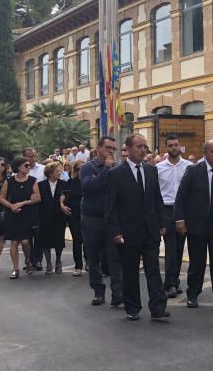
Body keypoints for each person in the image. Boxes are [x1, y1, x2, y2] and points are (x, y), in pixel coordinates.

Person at [105, 134, 169, 322]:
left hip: (150, 230)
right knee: (131, 271)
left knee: (153, 270)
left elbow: (157, 198)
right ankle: (132, 307)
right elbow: (111, 207)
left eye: (145, 147)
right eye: (139, 146)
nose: (143, 150)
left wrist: (162, 223)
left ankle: (158, 307)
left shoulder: (151, 170)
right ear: (129, 149)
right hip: (128, 231)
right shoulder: (116, 174)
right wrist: (115, 232)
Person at [174, 140, 213, 311]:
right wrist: (179, 219)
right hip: (197, 225)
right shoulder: (193, 171)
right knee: (197, 263)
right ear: (205, 153)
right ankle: (193, 294)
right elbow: (181, 197)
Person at [80, 136, 123, 306]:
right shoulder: (87, 168)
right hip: (92, 218)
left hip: (112, 219)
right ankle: (98, 291)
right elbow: (90, 187)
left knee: (115, 257)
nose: (111, 151)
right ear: (98, 148)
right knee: (93, 256)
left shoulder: (118, 168)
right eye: (108, 148)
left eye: (113, 148)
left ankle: (117, 292)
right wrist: (105, 170)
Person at [156, 135, 193, 298]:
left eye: (176, 145)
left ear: (180, 146)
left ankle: (174, 280)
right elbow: (155, 194)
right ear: (166, 148)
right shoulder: (158, 168)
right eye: (170, 146)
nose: (173, 148)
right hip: (167, 209)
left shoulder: (189, 166)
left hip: (184, 210)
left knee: (179, 248)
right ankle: (170, 284)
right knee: (170, 248)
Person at [0, 157, 40, 278]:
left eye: (29, 166)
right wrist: (11, 206)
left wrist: (23, 203)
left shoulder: (33, 181)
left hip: (27, 213)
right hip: (12, 214)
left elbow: (37, 198)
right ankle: (16, 269)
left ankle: (27, 260)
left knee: (25, 241)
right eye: (26, 166)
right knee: (14, 242)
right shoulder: (9, 181)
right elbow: (1, 197)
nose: (28, 167)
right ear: (18, 167)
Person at [37, 161, 68, 275]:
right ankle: (48, 263)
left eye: (60, 171)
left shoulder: (64, 184)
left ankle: (58, 261)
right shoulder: (40, 185)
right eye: (57, 171)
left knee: (59, 240)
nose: (60, 173)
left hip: (59, 216)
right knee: (45, 240)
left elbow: (67, 199)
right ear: (50, 173)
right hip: (44, 216)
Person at [61, 158, 84, 277]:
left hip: (87, 214)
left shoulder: (91, 181)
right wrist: (62, 206)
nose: (81, 171)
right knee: (77, 239)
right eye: (78, 169)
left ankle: (90, 261)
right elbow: (63, 196)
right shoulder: (70, 182)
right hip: (73, 213)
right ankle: (78, 265)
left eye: (83, 168)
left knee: (89, 240)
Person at [23, 148, 46, 270]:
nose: (31, 159)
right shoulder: (20, 171)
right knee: (27, 235)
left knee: (38, 233)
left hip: (39, 205)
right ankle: (29, 260)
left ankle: (37, 259)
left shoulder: (42, 169)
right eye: (29, 156)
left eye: (33, 156)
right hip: (25, 206)